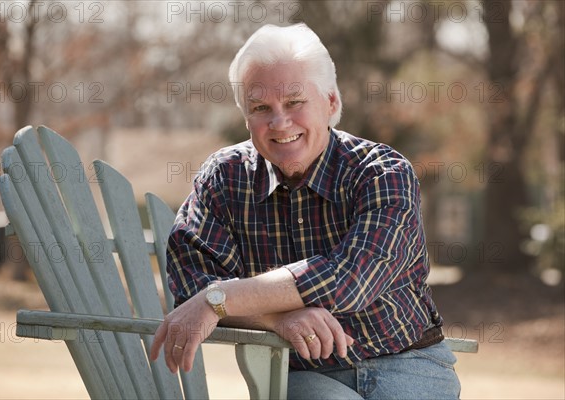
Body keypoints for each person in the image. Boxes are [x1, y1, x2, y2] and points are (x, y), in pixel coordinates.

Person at [150, 23, 461, 399]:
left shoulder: (383, 172)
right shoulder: (224, 177)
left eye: (295, 102)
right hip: (303, 373)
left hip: (409, 365)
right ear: (245, 116)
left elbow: (351, 280)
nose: (280, 123)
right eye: (261, 108)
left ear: (330, 103)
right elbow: (190, 284)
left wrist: (219, 299)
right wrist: (276, 318)